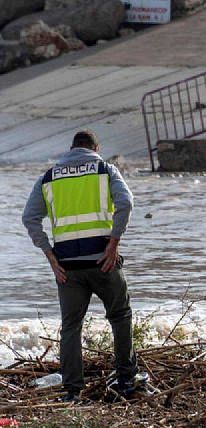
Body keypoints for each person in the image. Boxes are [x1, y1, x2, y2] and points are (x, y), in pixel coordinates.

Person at [22, 130, 138, 402]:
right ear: (96, 148)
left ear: (71, 148)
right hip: (103, 261)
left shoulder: (49, 177)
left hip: (67, 267)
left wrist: (50, 257)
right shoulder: (104, 168)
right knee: (120, 316)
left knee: (71, 326)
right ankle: (126, 380)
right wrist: (113, 243)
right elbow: (126, 203)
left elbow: (29, 218)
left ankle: (73, 390)